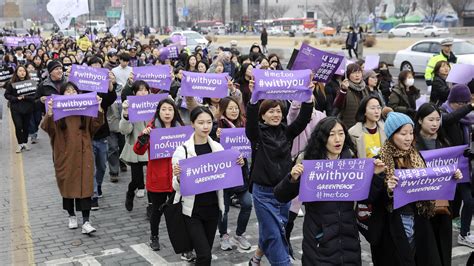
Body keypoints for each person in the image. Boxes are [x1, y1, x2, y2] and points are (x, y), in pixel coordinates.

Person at [273, 116, 386, 265]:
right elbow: (280, 196)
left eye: (341, 133)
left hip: (348, 240)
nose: (337, 139)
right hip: (319, 241)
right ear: (322, 137)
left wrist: (376, 176)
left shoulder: (351, 161)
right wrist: (293, 179)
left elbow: (367, 198)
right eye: (331, 135)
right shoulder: (308, 161)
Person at [377, 111, 462, 265]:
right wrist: (387, 188)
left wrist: (451, 176)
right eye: (403, 133)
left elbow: (430, 181)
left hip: (419, 218)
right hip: (396, 223)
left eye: (411, 132)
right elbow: (373, 196)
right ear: (391, 135)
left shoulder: (416, 156)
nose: (408, 138)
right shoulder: (380, 161)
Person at [246, 79, 314, 265]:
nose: (276, 114)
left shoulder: (287, 132)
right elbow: (250, 125)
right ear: (263, 116)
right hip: (263, 194)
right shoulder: (257, 134)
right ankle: (284, 262)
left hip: (283, 192)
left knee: (276, 229)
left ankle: (256, 258)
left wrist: (307, 98)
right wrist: (253, 101)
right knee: (274, 234)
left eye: (278, 111)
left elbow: (303, 119)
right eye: (271, 111)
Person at [172, 106, 245, 265]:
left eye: (209, 122)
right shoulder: (182, 151)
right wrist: (178, 177)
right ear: (192, 124)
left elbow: (227, 178)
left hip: (213, 209)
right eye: (201, 122)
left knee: (205, 254)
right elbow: (176, 187)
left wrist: (238, 164)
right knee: (205, 255)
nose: (205, 126)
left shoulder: (218, 148)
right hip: (192, 211)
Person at [40, 82, 104, 235]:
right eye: (67, 91)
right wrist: (49, 112)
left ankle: (86, 221)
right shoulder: (57, 112)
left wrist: (99, 107)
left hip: (84, 155)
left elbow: (96, 126)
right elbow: (46, 128)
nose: (71, 93)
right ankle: (71, 215)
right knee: (68, 186)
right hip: (65, 156)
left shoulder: (85, 110)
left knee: (85, 187)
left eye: (73, 90)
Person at [134, 98, 185, 251]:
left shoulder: (182, 129)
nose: (167, 112)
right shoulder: (151, 129)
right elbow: (138, 150)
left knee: (177, 213)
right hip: (157, 179)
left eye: (170, 109)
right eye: (164, 109)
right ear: (158, 112)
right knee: (156, 212)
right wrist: (144, 137)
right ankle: (154, 236)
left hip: (176, 178)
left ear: (175, 111)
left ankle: (182, 243)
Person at [284, 97, 326, 260]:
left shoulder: (321, 116)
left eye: (311, 100)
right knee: (291, 210)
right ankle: (285, 241)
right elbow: (294, 110)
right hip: (297, 165)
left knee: (316, 209)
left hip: (315, 166)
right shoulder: (294, 115)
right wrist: (299, 97)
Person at [414, 103, 452, 266]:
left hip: (442, 205)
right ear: (420, 120)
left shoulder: (445, 143)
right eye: (431, 119)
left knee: (443, 247)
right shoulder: (412, 144)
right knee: (427, 252)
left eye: (437, 119)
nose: (435, 123)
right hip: (421, 206)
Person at [214, 96, 253, 251]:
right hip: (223, 175)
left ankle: (240, 233)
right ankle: (223, 235)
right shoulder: (216, 126)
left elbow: (248, 148)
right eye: (230, 108)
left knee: (247, 203)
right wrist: (215, 137)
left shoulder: (244, 126)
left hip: (240, 173)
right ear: (223, 109)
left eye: (236, 107)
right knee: (223, 209)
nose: (234, 111)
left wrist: (244, 160)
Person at [439, 84, 474, 248]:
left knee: (466, 200)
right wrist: (469, 106)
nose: (462, 107)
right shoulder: (442, 112)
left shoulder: (466, 118)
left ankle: (462, 231)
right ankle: (457, 233)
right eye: (460, 103)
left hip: (465, 165)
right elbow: (449, 120)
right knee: (460, 202)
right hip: (448, 166)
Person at [87, 56, 118, 210]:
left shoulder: (102, 88)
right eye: (93, 64)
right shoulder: (83, 87)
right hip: (87, 134)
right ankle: (92, 196)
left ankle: (98, 185)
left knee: (102, 166)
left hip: (102, 133)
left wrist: (110, 85)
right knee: (91, 167)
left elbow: (110, 99)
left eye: (99, 64)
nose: (97, 66)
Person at [120, 80, 151, 212]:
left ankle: (151, 206)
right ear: (134, 92)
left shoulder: (155, 105)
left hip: (152, 148)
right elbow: (124, 130)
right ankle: (130, 192)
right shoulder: (129, 106)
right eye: (140, 90)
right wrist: (126, 115)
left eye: (145, 90)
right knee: (137, 180)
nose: (143, 92)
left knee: (152, 179)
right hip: (137, 147)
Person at [4, 65, 35, 152]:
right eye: (20, 71)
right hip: (16, 108)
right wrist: (16, 98)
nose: (22, 72)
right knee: (18, 126)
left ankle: (25, 142)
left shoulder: (31, 83)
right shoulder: (11, 83)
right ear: (16, 72)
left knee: (26, 126)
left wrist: (25, 97)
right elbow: (6, 95)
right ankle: (20, 144)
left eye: (24, 71)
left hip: (27, 108)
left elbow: (34, 96)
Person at [333, 63, 368, 129]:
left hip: (364, 125)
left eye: (359, 72)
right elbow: (337, 105)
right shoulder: (344, 88)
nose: (357, 75)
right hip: (349, 126)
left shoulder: (365, 89)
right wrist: (343, 91)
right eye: (354, 73)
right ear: (348, 75)